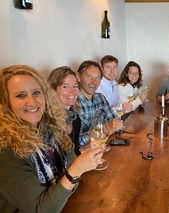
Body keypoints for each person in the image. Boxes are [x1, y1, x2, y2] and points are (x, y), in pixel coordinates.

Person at [0, 65, 103, 213]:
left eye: (36, 92)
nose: (32, 101)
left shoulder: (47, 128)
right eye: (20, 95)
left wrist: (82, 156)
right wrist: (75, 172)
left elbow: (68, 163)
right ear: (4, 102)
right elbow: (40, 210)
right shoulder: (6, 148)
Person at [47, 66, 97, 156]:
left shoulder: (74, 117)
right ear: (52, 91)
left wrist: (86, 148)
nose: (73, 91)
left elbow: (75, 152)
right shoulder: (48, 121)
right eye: (65, 87)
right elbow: (55, 162)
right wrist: (82, 150)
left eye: (75, 86)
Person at [76, 60, 122, 146]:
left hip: (104, 146)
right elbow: (77, 143)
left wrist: (106, 129)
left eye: (97, 78)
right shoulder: (73, 103)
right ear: (78, 77)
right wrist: (105, 129)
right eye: (89, 77)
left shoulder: (100, 98)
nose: (94, 82)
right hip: (85, 155)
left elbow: (116, 123)